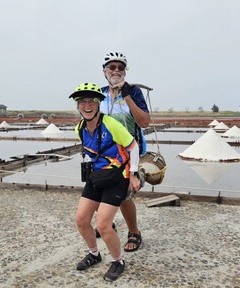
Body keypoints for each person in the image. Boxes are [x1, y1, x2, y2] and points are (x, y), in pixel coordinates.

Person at [70, 82, 142, 282]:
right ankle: (94, 254)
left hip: (118, 176)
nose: (87, 105)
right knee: (82, 220)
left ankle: (118, 261)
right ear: (77, 106)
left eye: (92, 100)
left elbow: (133, 147)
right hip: (97, 176)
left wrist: (134, 175)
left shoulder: (111, 124)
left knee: (103, 225)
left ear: (98, 103)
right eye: (82, 101)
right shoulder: (79, 129)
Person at [98, 51, 150, 253]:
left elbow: (144, 122)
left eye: (121, 67)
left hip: (130, 151)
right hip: (104, 152)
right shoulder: (99, 94)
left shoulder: (134, 92)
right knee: (99, 189)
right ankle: (106, 224)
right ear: (105, 71)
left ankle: (134, 232)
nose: (116, 71)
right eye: (112, 67)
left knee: (124, 195)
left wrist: (126, 95)